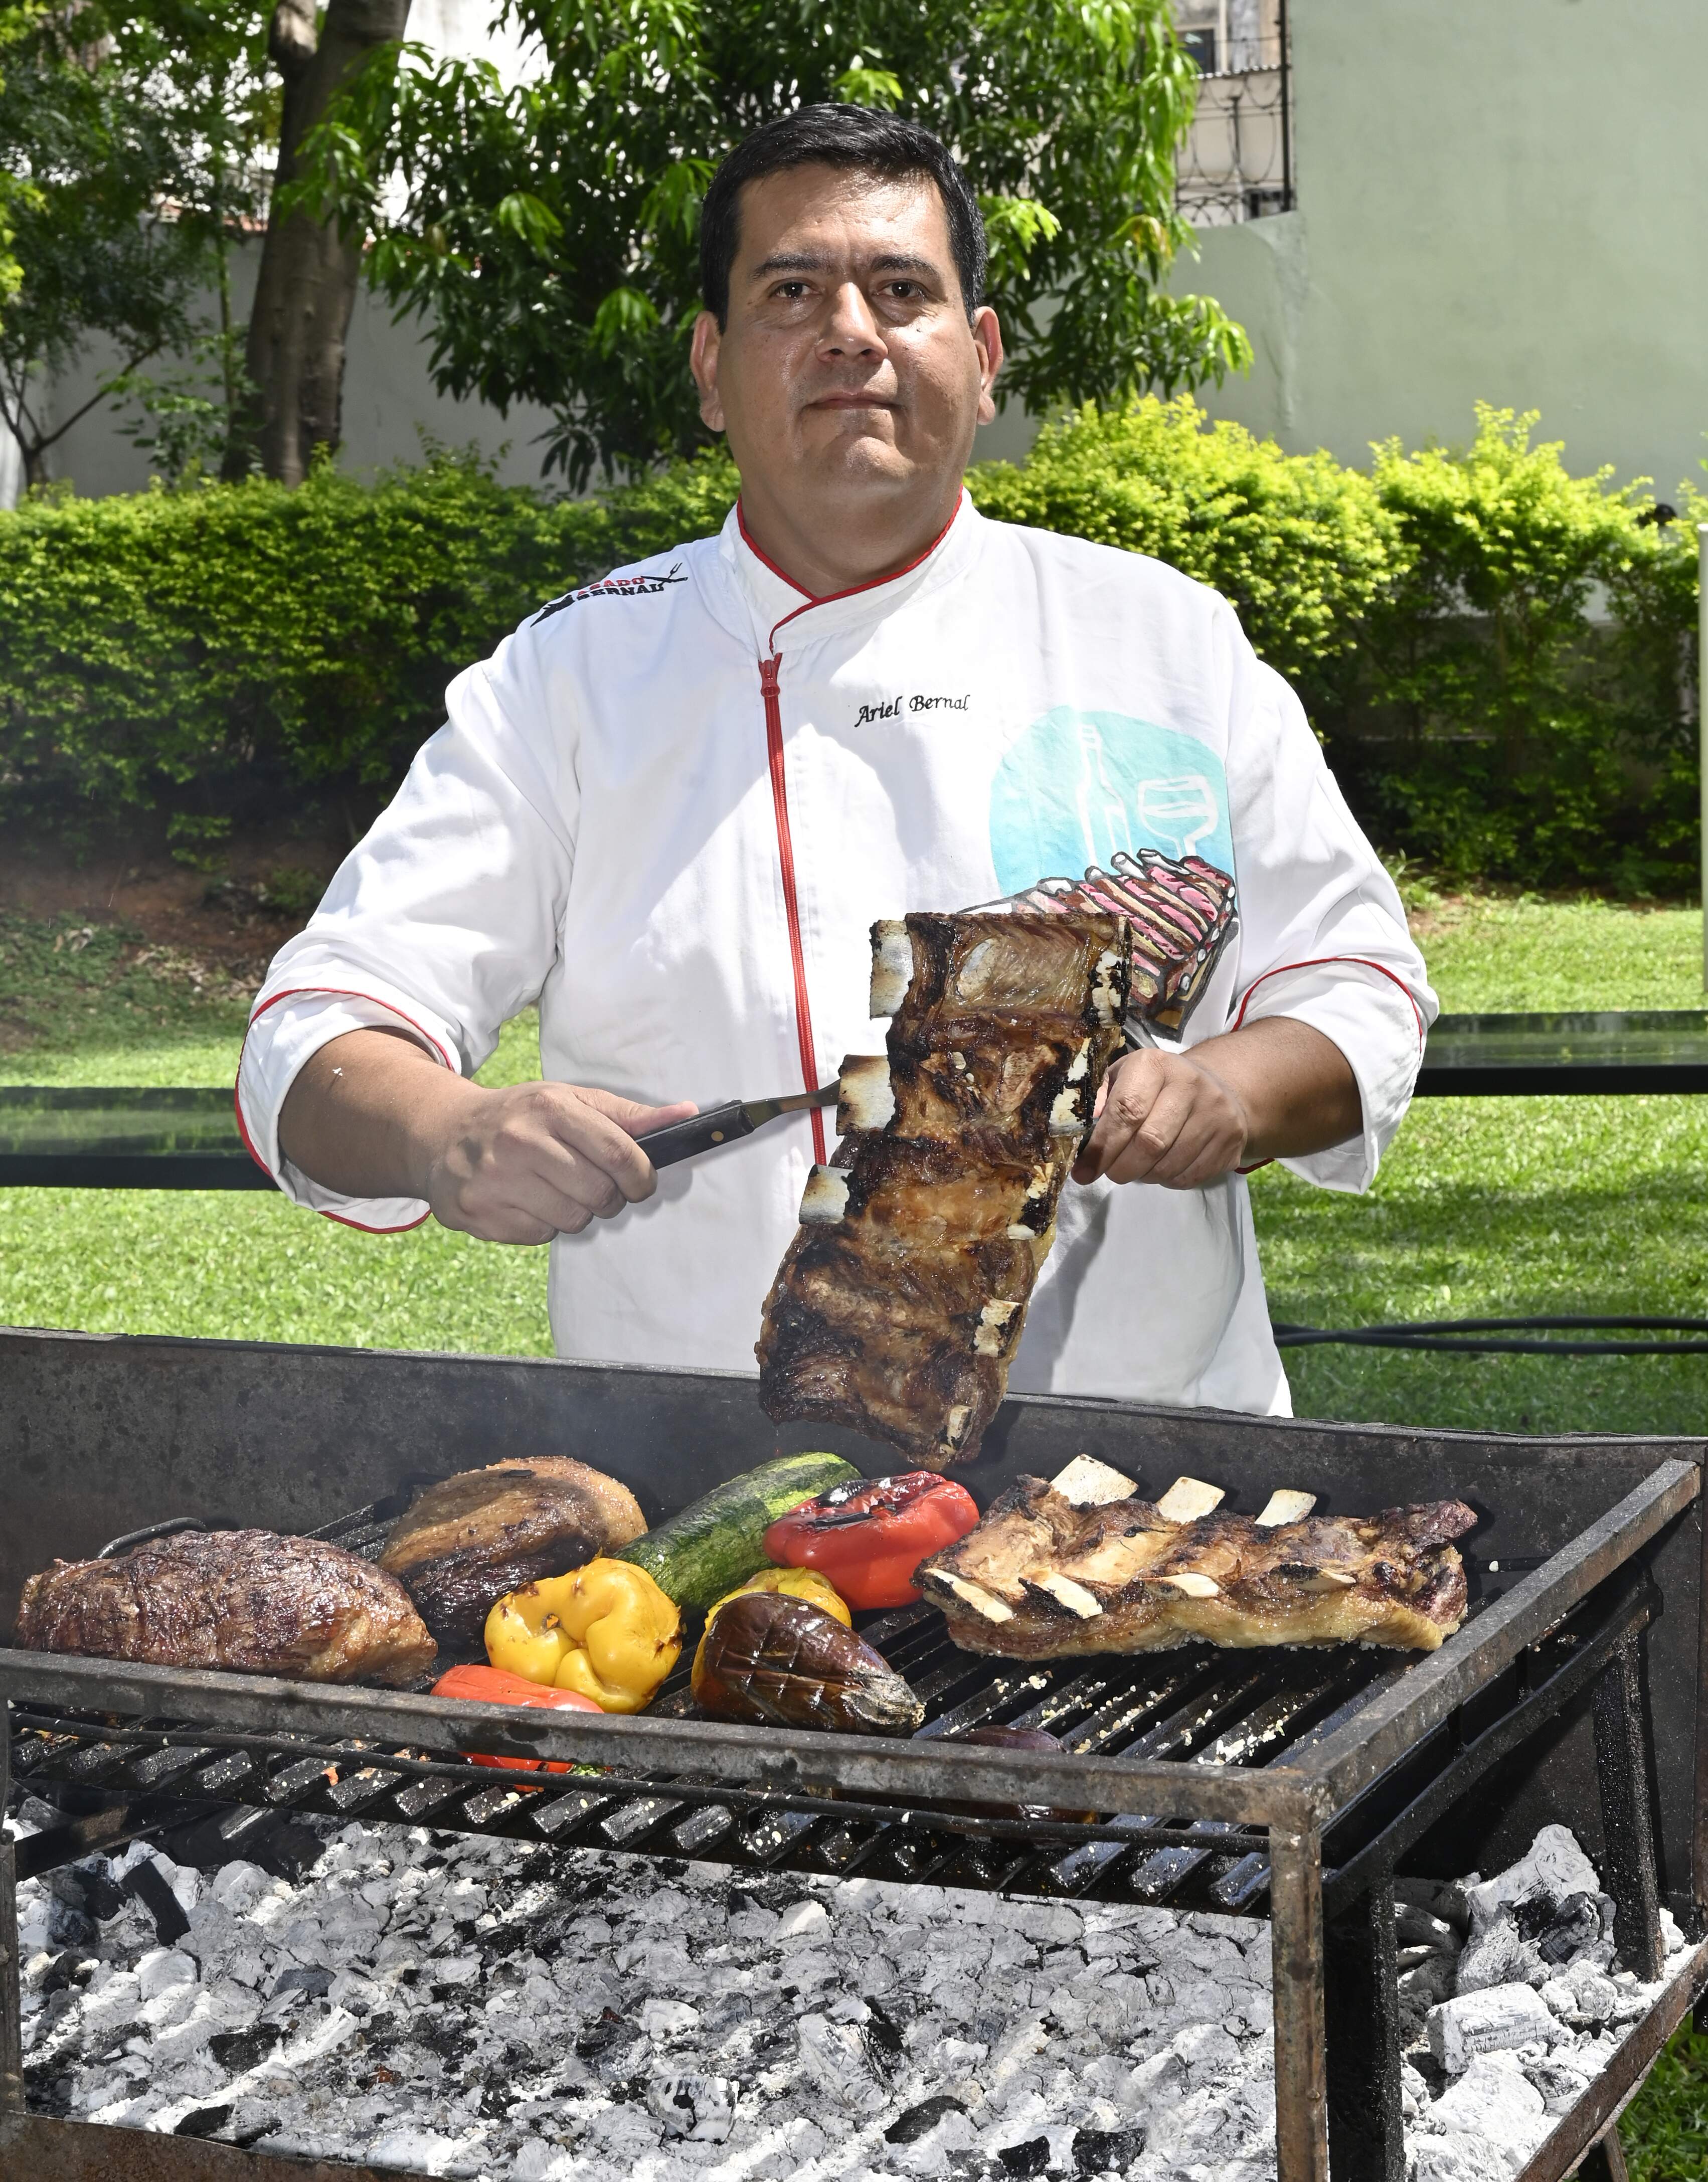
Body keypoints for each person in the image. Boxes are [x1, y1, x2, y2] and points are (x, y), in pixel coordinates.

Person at [238, 103, 1435, 1416]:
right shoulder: (571, 679)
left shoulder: (1161, 640)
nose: (850, 332)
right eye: (792, 291)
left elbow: (1359, 984)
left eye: (902, 290)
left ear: (982, 360)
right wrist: (441, 1129)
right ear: (710, 368)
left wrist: (1229, 1093)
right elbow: (315, 1031)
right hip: (712, 1492)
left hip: (1142, 1472)